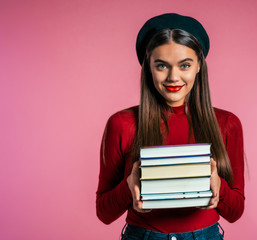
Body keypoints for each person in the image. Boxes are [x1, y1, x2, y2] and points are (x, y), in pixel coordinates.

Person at [96, 13, 245, 239]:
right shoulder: (122, 124)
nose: (173, 77)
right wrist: (129, 186)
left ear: (198, 66)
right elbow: (104, 213)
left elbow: (235, 212)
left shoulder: (227, 124)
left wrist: (219, 187)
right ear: (148, 67)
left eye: (184, 65)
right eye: (162, 66)